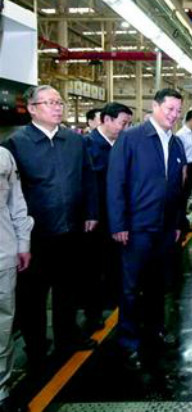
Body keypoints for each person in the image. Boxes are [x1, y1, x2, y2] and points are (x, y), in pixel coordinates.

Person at [4, 85, 99, 369]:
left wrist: (91, 212)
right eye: (50, 103)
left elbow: (88, 177)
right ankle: (36, 347)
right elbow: (10, 194)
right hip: (35, 236)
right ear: (32, 109)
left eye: (59, 102)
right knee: (32, 296)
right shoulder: (16, 143)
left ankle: (67, 337)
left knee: (67, 289)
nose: (58, 107)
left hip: (71, 230)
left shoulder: (75, 141)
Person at [107, 88, 187, 370]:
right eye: (170, 109)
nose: (174, 115)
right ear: (154, 106)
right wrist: (119, 223)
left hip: (164, 228)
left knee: (157, 284)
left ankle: (155, 330)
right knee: (131, 287)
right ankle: (128, 339)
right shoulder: (131, 138)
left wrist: (177, 223)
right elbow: (115, 182)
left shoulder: (176, 143)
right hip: (137, 227)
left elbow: (177, 188)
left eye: (178, 111)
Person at [83, 102, 133, 331]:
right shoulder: (87, 145)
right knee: (93, 269)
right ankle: (93, 314)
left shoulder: (124, 144)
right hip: (97, 219)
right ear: (106, 120)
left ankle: (114, 302)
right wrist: (91, 213)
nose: (126, 128)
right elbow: (87, 184)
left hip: (120, 217)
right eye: (123, 123)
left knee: (117, 264)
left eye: (129, 124)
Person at [0, 148, 33, 412]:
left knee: (2, 327)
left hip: (3, 253)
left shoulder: (3, 157)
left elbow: (16, 203)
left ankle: (1, 390)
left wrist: (23, 243)